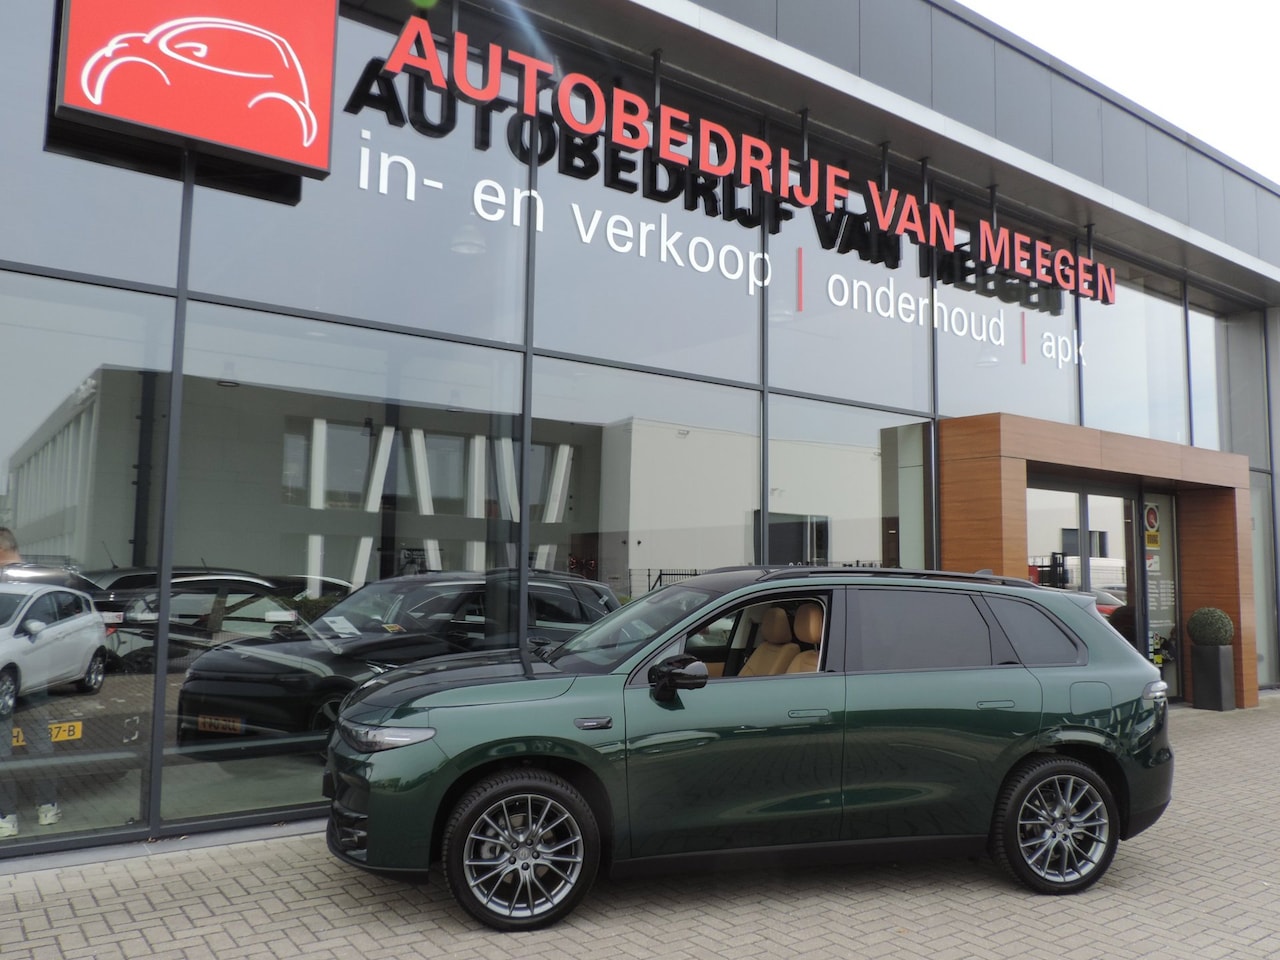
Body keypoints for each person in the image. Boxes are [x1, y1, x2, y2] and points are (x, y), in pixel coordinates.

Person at [0, 527, 62, 838]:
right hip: (36, 676)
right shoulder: (38, 581)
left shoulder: (8, 583)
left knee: (3, 749)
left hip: (8, 677)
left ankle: (6, 816)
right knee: (39, 743)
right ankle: (47, 807)